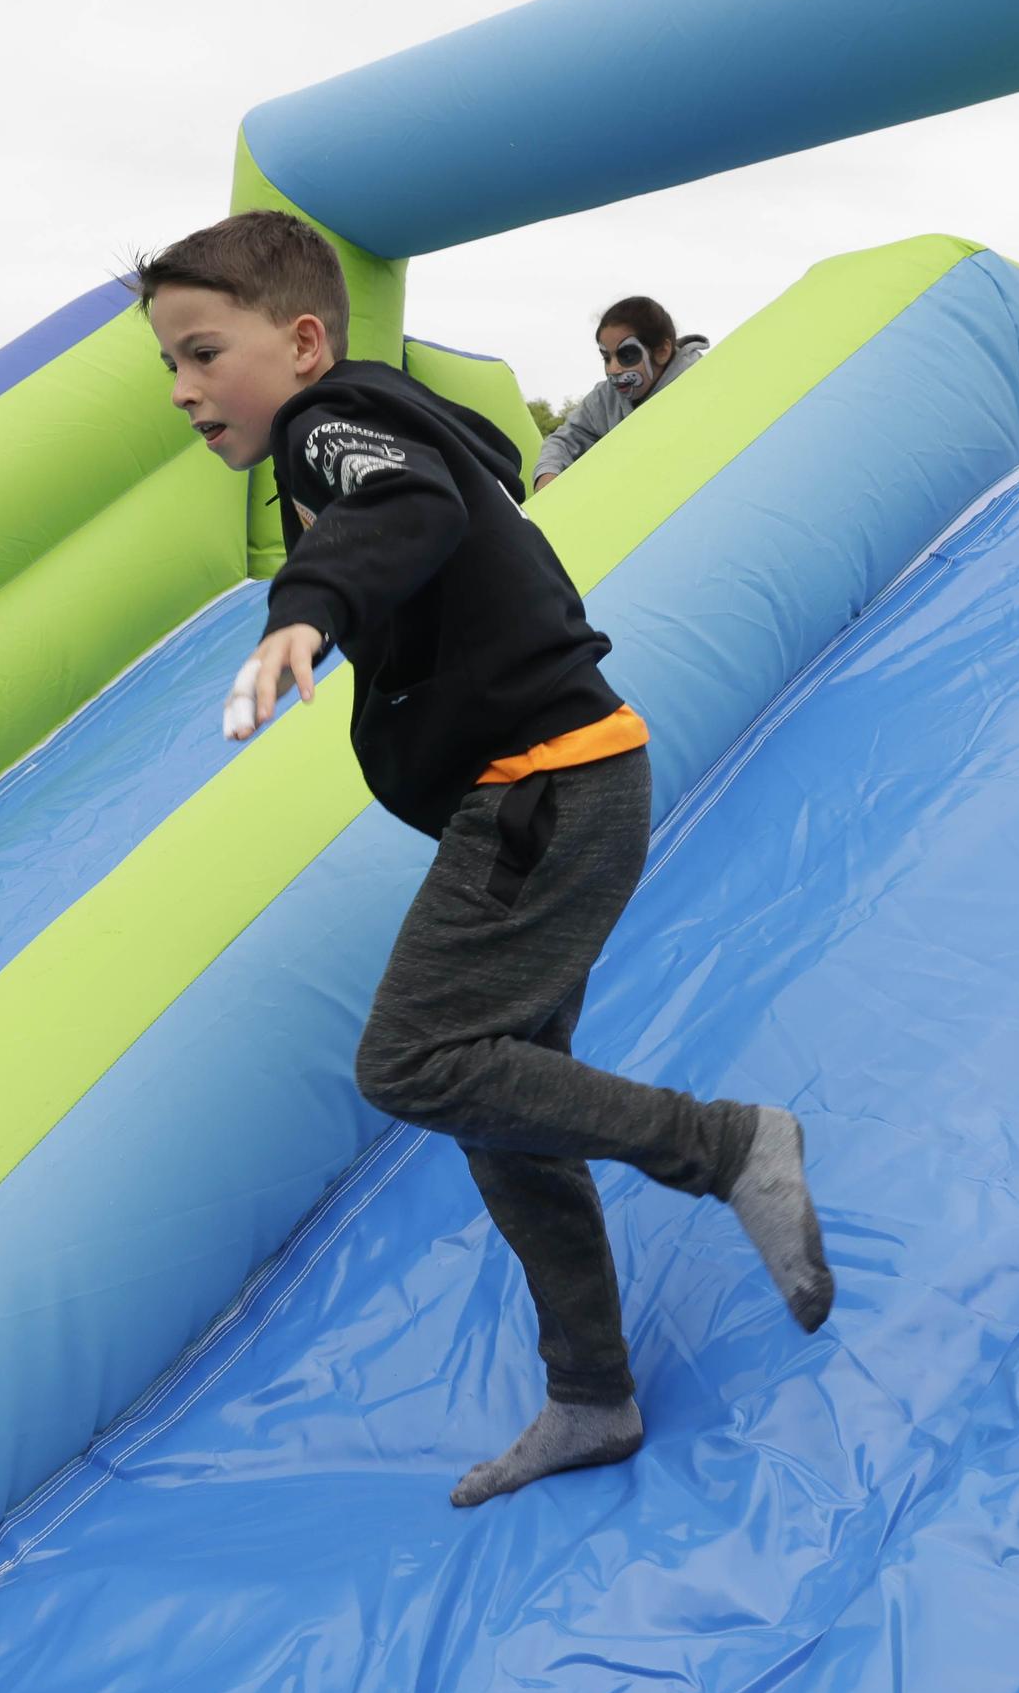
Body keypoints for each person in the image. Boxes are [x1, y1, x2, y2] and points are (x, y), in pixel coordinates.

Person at [135, 211, 831, 1508]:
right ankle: (593, 1393)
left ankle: (727, 1145)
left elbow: (402, 501)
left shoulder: (325, 424)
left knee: (413, 1060)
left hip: (541, 794)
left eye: (200, 351)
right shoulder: (373, 422)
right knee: (506, 1108)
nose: (181, 389)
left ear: (298, 342)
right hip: (562, 786)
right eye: (167, 364)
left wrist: (306, 605)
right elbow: (446, 491)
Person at [534, 298, 708, 490]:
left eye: (626, 355)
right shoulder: (603, 399)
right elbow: (565, 441)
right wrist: (548, 476)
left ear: (662, 351)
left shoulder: (702, 384)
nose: (613, 369)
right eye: (606, 358)